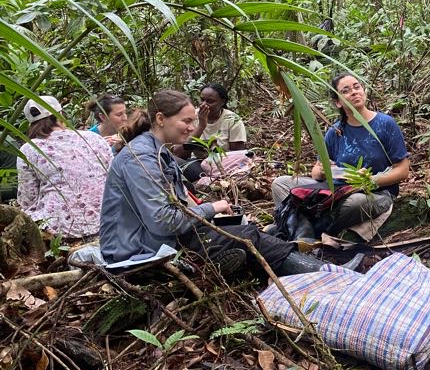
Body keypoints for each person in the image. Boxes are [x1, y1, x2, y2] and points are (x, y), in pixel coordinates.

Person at [99, 90, 349, 275]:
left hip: (151, 239)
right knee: (249, 236)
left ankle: (237, 262)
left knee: (249, 233)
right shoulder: (140, 157)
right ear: (161, 119)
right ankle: (327, 274)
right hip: (137, 251)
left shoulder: (156, 150)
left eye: (193, 121)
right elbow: (165, 222)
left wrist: (211, 212)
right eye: (186, 121)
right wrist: (212, 208)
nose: (191, 127)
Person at [271, 73, 410, 240]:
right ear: (338, 102)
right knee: (280, 184)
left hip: (376, 193)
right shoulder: (335, 131)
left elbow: (402, 170)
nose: (354, 92)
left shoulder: (385, 124)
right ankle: (301, 231)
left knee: (355, 202)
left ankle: (303, 231)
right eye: (346, 90)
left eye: (357, 87)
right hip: (335, 191)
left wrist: (371, 180)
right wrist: (320, 171)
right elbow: (317, 170)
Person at [16, 95, 112, 238]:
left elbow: (27, 200)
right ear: (60, 114)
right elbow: (114, 178)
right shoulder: (94, 138)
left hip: (60, 230)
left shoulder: (28, 150)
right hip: (107, 220)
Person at [193, 83, 247, 151]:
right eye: (202, 100)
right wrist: (201, 125)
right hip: (193, 160)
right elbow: (182, 151)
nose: (204, 104)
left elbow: (237, 153)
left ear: (222, 102)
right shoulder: (192, 116)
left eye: (210, 101)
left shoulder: (233, 120)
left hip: (224, 160)